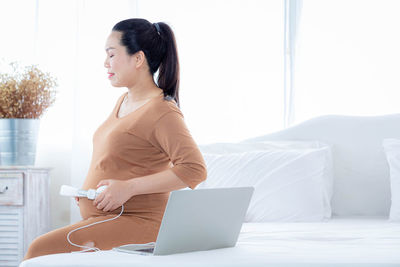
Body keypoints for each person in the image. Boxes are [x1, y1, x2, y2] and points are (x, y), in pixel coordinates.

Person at [23, 18, 207, 260]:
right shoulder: (125, 101)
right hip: (108, 217)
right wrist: (90, 191)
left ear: (138, 59)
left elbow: (195, 170)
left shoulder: (162, 111)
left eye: (111, 54)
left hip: (141, 222)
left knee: (39, 249)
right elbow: (122, 161)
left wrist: (128, 188)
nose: (105, 63)